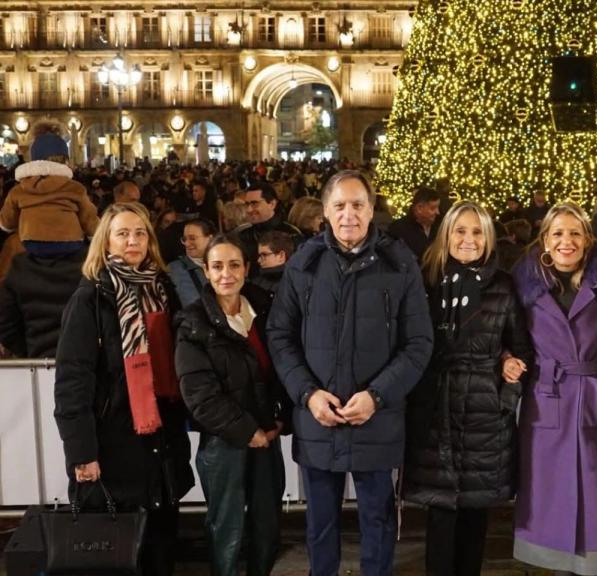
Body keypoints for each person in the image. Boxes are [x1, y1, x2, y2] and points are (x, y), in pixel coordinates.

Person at [266, 170, 433, 576]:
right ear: (325, 211)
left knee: (377, 523)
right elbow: (280, 336)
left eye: (358, 205)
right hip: (318, 419)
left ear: (371, 210)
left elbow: (419, 343)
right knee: (320, 527)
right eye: (339, 205)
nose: (348, 215)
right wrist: (308, 394)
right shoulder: (303, 265)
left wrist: (377, 396)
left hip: (376, 418)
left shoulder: (400, 265)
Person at [53, 202, 194, 576]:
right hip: (114, 441)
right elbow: (72, 381)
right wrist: (81, 452)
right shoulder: (91, 298)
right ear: (106, 241)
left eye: (140, 233)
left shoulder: (163, 290)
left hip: (161, 439)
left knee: (161, 545)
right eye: (122, 233)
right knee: (118, 553)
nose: (132, 241)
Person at [404, 201, 533, 576]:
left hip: (484, 416)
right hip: (436, 411)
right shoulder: (425, 280)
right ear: (446, 235)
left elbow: (522, 350)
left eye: (477, 232)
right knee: (440, 516)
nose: (468, 240)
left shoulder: (503, 285)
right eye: (460, 231)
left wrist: (505, 393)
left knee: (476, 517)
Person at [511, 203, 597, 576]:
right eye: (557, 233)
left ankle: (593, 566)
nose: (566, 241)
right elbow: (506, 335)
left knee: (596, 493)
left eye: (575, 233)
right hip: (547, 399)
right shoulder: (525, 288)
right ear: (544, 240)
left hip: (595, 399)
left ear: (588, 241)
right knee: (549, 494)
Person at [175, 234, 287, 576]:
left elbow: (282, 368)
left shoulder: (266, 311)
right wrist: (246, 431)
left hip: (267, 437)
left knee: (267, 526)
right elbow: (199, 395)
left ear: (246, 268)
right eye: (218, 266)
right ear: (206, 271)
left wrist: (280, 417)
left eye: (234, 265)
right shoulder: (192, 322)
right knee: (228, 530)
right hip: (224, 443)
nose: (227, 273)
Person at [1, 122, 99, 257]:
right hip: (70, 242)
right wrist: (94, 235)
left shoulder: (20, 189)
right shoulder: (75, 188)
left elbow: (6, 223)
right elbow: (90, 219)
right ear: (64, 159)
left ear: (33, 159)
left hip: (31, 242)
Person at [238, 184, 302, 273]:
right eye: (247, 204)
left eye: (254, 203)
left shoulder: (292, 234)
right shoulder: (242, 236)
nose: (249, 209)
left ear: (272, 204)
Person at [167, 218, 215, 307]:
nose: (187, 244)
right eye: (184, 239)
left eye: (192, 238)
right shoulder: (174, 270)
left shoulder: (223, 265)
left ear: (210, 239)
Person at [388, 186, 441, 261]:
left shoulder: (439, 226)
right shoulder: (398, 230)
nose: (437, 212)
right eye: (433, 208)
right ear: (419, 208)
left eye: (438, 207)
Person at [252, 230, 294, 295]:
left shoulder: (294, 285)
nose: (259, 260)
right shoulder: (255, 282)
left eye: (264, 255)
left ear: (281, 256)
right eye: (259, 255)